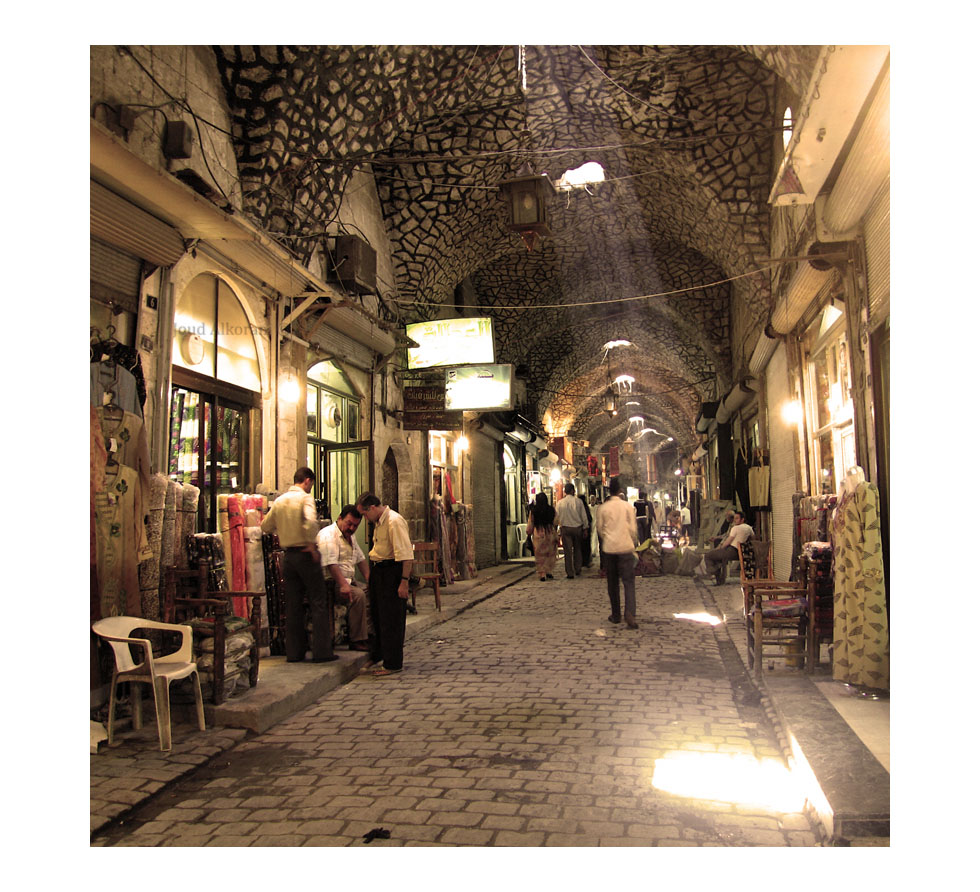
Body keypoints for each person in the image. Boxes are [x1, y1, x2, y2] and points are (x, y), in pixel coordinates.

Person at [261, 467, 336, 662]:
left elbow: (265, 526)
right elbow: (311, 522)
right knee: (317, 601)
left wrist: (284, 530)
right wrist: (311, 545)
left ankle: (294, 652)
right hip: (305, 553)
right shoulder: (304, 498)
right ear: (308, 481)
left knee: (293, 605)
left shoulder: (279, 501)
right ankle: (322, 652)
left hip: (289, 557)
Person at [356, 492, 414, 676]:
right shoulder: (379, 522)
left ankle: (393, 662)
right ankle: (380, 654)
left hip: (391, 572)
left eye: (365, 514)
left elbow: (405, 555)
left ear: (372, 508)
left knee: (391, 619)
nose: (365, 519)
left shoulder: (394, 521)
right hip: (379, 571)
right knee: (378, 615)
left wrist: (403, 582)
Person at [316, 504, 371, 652]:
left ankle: (369, 635)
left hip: (348, 580)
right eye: (349, 524)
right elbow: (331, 564)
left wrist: (369, 580)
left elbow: (360, 560)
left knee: (371, 592)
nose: (352, 528)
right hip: (331, 583)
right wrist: (343, 585)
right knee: (358, 595)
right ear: (340, 518)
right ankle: (357, 640)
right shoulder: (328, 535)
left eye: (355, 526)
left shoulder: (350, 537)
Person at [596, 476, 639, 628]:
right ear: (621, 490)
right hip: (625, 547)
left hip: (610, 548)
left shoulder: (603, 508)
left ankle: (616, 615)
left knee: (612, 583)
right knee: (628, 582)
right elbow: (633, 530)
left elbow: (600, 530)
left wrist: (608, 538)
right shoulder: (627, 507)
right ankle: (630, 613)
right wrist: (632, 541)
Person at [699, 510, 754, 586]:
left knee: (708, 556)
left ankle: (715, 571)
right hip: (743, 552)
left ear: (742, 519)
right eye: (734, 518)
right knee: (719, 558)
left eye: (737, 518)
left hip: (732, 551)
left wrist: (721, 548)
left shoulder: (735, 528)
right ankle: (719, 578)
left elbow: (728, 540)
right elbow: (753, 538)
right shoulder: (749, 528)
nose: (735, 520)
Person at [556, 483, 589, 579]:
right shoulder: (578, 502)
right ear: (572, 490)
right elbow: (583, 516)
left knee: (568, 551)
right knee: (578, 549)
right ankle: (578, 568)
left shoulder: (560, 503)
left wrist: (558, 528)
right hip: (577, 527)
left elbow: (557, 517)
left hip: (565, 528)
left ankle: (569, 572)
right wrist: (585, 528)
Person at [527, 492, 558, 581]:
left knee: (539, 555)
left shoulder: (534, 511)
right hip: (550, 532)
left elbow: (531, 523)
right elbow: (556, 521)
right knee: (550, 554)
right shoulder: (551, 509)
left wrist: (529, 532)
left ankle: (542, 573)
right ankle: (549, 571)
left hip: (538, 533)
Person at [578, 492, 593, 567]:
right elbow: (589, 518)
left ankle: (580, 562)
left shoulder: (578, 507)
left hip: (579, 528)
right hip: (586, 529)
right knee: (586, 546)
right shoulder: (585, 507)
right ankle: (586, 561)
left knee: (579, 546)